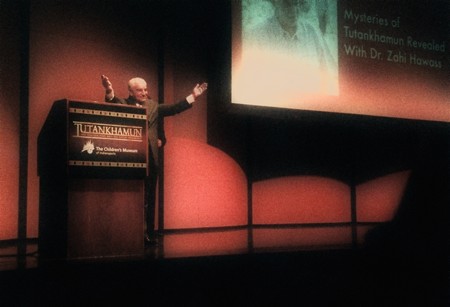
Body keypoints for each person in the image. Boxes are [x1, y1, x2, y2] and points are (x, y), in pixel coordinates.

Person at [101, 75, 207, 245]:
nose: (144, 92)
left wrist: (192, 96)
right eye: (139, 90)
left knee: (150, 199)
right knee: (134, 199)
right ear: (130, 91)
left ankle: (149, 234)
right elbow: (112, 101)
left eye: (145, 89)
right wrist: (108, 91)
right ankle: (131, 233)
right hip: (131, 157)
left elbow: (173, 108)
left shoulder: (153, 106)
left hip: (151, 158)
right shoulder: (124, 103)